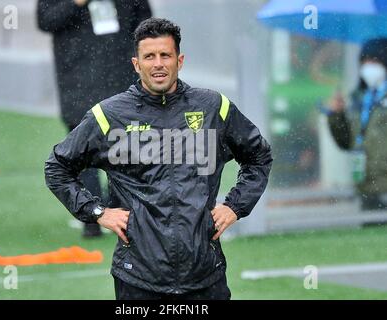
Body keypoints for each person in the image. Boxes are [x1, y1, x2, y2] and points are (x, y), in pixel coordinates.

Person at [44, 18, 272, 300]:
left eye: (166, 55)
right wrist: (97, 212)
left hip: (205, 275)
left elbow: (258, 156)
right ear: (136, 64)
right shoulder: (109, 116)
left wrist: (235, 206)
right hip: (138, 278)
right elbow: (58, 168)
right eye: (149, 57)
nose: (158, 64)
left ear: (180, 60)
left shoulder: (214, 108)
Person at [37, 0, 152, 237]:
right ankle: (94, 218)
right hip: (78, 75)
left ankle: (126, 213)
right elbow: (46, 19)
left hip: (119, 73)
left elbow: (145, 24)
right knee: (83, 151)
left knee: (127, 149)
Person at [328, 38, 387, 211]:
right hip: (366, 186)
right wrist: (336, 115)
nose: (368, 66)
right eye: (364, 61)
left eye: (374, 60)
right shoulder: (358, 98)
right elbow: (346, 142)